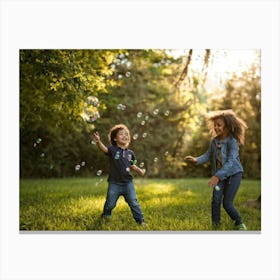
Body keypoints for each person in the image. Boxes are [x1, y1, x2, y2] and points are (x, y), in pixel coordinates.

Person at [185, 109, 248, 230]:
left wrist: (217, 176)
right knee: (215, 200)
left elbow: (231, 162)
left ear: (227, 126)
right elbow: (209, 155)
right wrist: (196, 159)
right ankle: (216, 225)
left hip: (234, 174)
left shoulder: (232, 142)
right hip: (219, 176)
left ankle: (239, 223)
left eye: (219, 125)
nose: (216, 128)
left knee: (227, 203)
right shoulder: (214, 141)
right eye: (215, 125)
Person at [93, 124, 146, 226]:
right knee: (110, 203)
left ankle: (140, 221)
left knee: (134, 203)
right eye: (121, 134)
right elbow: (104, 149)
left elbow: (133, 166)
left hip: (128, 183)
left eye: (126, 134)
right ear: (115, 138)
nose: (125, 136)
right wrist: (98, 142)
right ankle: (106, 215)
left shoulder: (131, 153)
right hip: (114, 183)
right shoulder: (113, 150)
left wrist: (139, 170)